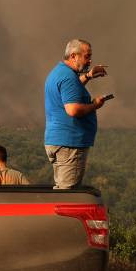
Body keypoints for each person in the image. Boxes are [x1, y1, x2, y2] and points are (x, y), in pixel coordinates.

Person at [43, 38, 110, 189]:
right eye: (87, 56)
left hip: (58, 141)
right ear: (73, 56)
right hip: (69, 144)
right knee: (67, 194)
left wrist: (88, 76)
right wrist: (95, 105)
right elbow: (73, 110)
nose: (90, 61)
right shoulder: (68, 77)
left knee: (63, 189)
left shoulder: (60, 72)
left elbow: (71, 89)